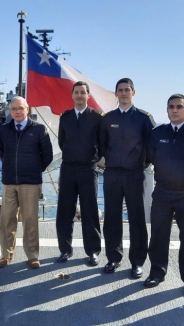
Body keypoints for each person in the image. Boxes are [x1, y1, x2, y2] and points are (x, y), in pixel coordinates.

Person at [144, 94, 184, 298]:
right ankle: (157, 272)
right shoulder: (157, 133)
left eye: (179, 106)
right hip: (162, 192)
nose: (174, 110)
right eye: (171, 107)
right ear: (167, 110)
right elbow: (150, 157)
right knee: (159, 236)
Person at [100, 78, 155, 278]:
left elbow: (151, 146)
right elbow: (102, 144)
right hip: (112, 174)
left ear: (134, 92)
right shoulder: (107, 118)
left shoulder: (144, 118)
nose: (123, 93)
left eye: (127, 90)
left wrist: (141, 163)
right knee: (112, 218)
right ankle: (113, 258)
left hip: (134, 174)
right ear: (116, 94)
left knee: (137, 219)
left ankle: (138, 262)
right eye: (120, 90)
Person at [0, 96, 53, 269]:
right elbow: (1, 152)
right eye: (14, 109)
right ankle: (6, 254)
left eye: (21, 108)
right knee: (7, 219)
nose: (17, 112)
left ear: (27, 109)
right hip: (9, 181)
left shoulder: (38, 129)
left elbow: (47, 156)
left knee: (30, 219)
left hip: (30, 182)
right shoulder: (4, 130)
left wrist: (34, 170)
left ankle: (32, 255)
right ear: (10, 111)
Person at [56, 81, 102, 266]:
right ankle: (65, 250)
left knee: (90, 212)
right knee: (65, 211)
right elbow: (61, 142)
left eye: (83, 92)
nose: (80, 95)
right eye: (77, 92)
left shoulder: (97, 117)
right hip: (68, 169)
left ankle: (92, 252)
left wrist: (91, 157)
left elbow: (102, 143)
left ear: (88, 95)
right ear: (72, 95)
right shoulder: (65, 117)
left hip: (88, 169)